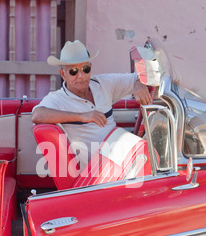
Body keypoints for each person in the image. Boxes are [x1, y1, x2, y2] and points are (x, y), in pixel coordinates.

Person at [32, 40, 151, 170]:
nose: (81, 75)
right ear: (63, 74)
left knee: (154, 154)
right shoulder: (58, 98)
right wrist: (83, 116)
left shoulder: (103, 83)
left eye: (86, 69)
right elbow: (37, 115)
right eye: (73, 71)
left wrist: (139, 86)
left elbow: (136, 78)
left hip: (119, 153)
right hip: (98, 171)